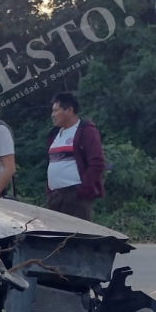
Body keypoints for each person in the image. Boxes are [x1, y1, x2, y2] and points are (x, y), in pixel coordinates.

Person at [44, 92, 106, 221]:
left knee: (77, 237)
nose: (52, 115)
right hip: (55, 197)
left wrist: (83, 190)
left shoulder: (85, 130)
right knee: (57, 237)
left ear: (69, 110)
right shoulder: (54, 135)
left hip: (75, 195)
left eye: (56, 110)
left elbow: (97, 163)